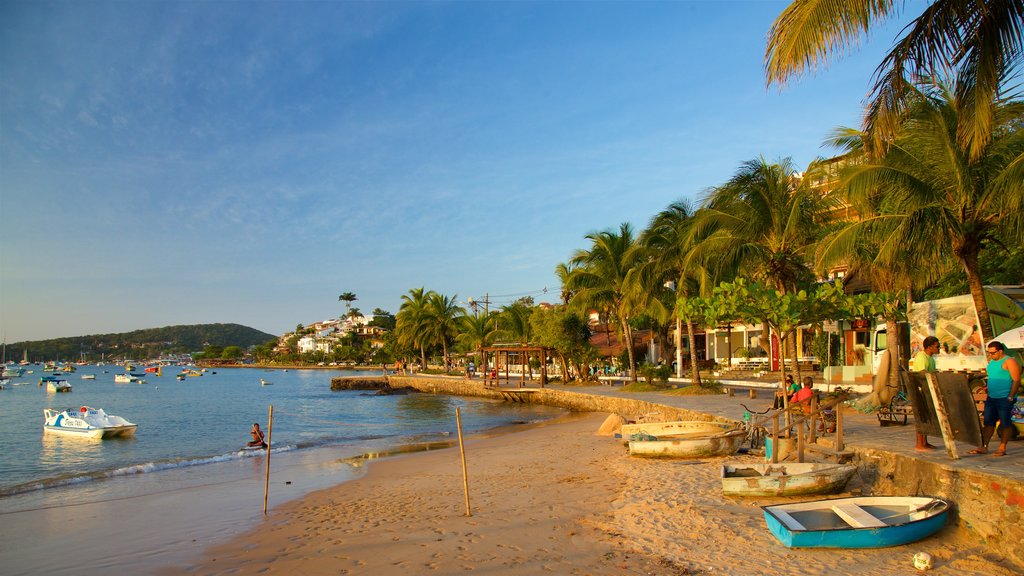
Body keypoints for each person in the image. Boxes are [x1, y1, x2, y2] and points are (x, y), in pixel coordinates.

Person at [969, 341, 1021, 457]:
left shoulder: (1009, 361)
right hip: (992, 397)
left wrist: (1011, 396)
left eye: (992, 353)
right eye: (989, 353)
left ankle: (1002, 447)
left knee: (1005, 423)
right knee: (988, 423)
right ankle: (984, 446)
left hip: (1004, 398)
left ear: (1000, 351)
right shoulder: (992, 362)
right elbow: (994, 377)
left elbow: (1016, 380)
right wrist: (987, 388)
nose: (990, 355)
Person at [910, 336, 940, 451]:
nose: (939, 348)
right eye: (937, 346)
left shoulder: (931, 358)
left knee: (927, 417)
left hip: (928, 390)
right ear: (930, 347)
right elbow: (922, 373)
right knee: (921, 417)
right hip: (921, 391)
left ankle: (925, 442)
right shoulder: (922, 357)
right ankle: (919, 443)